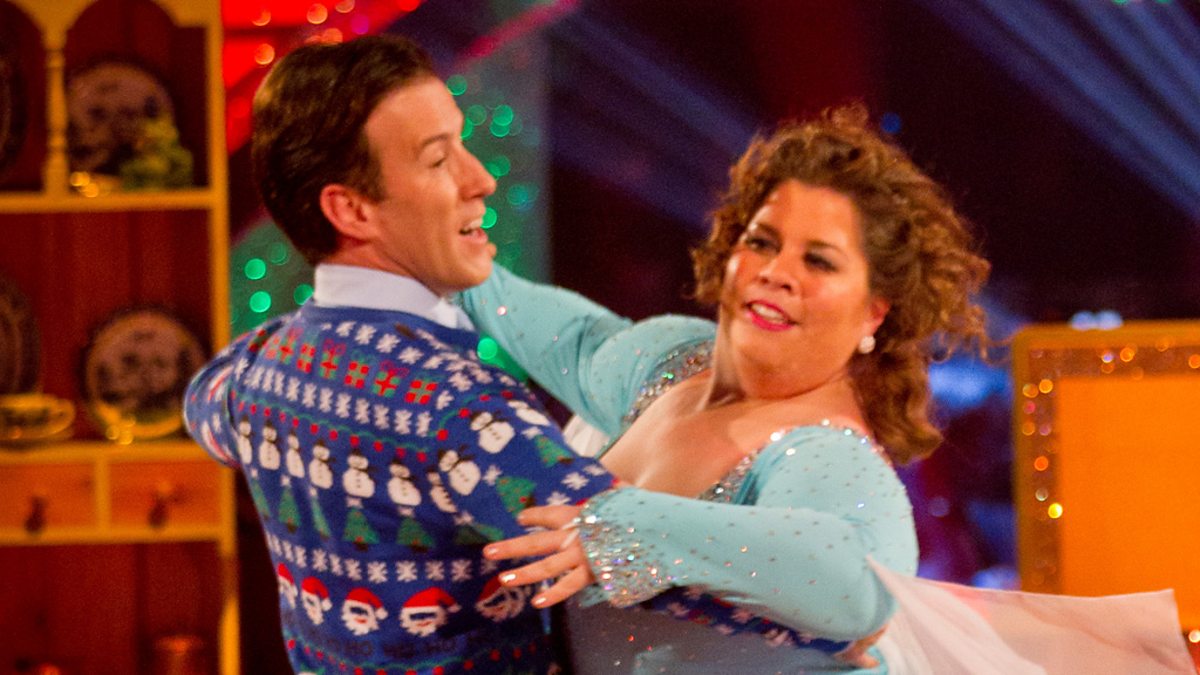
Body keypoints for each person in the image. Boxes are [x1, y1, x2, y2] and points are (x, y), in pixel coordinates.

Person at [182, 36, 871, 675]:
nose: (480, 179)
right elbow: (638, 550)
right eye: (437, 159)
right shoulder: (461, 410)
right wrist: (828, 633)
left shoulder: (257, 369)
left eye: (463, 144)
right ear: (352, 211)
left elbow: (201, 405)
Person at [461, 105, 1195, 674]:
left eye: (819, 261)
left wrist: (625, 529)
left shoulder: (828, 454)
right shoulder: (671, 360)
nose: (776, 272)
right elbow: (543, 322)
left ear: (874, 313)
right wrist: (440, 235)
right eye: (761, 241)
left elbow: (856, 583)